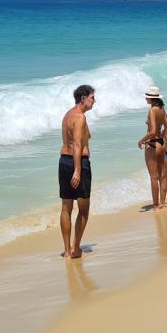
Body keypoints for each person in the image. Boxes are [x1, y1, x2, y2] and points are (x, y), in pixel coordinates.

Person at [59, 84, 95, 259]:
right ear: (83, 99)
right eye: (92, 98)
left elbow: (73, 141)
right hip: (78, 162)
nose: (94, 101)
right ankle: (76, 249)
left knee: (66, 207)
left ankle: (66, 250)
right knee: (84, 208)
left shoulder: (68, 115)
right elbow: (78, 145)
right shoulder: (80, 117)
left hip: (64, 161)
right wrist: (78, 171)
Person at [137, 86, 167, 210]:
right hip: (161, 143)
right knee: (162, 176)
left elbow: (153, 131)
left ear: (151, 98)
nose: (145, 98)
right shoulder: (162, 109)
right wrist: (162, 137)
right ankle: (162, 202)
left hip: (151, 144)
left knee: (154, 177)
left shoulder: (152, 111)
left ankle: (155, 205)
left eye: (147, 96)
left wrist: (141, 141)